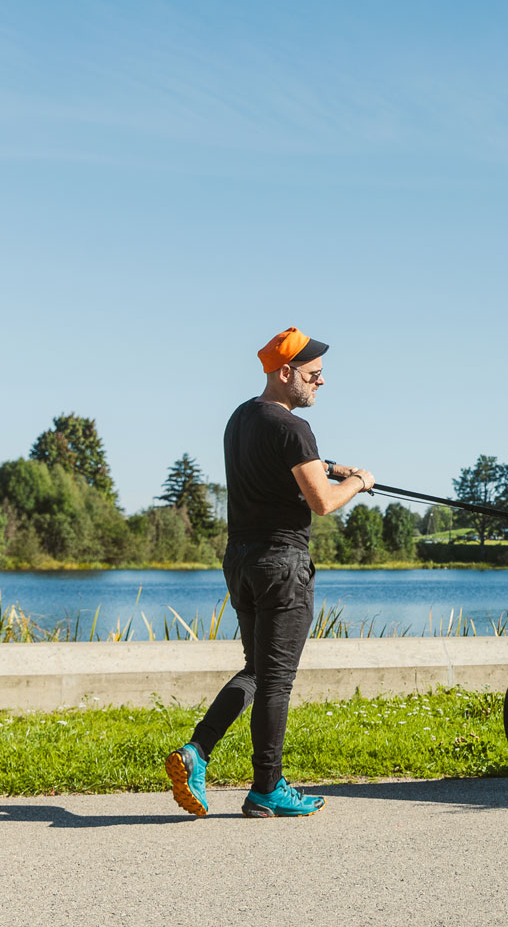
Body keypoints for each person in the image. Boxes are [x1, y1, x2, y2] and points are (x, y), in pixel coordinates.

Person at [165, 327, 375, 818]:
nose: (321, 383)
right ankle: (267, 788)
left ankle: (196, 752)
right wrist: (361, 482)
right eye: (313, 375)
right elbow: (320, 502)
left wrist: (331, 465)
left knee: (258, 672)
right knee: (276, 681)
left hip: (240, 559)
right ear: (286, 373)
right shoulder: (294, 428)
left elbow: (285, 464)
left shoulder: (241, 418)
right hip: (282, 564)